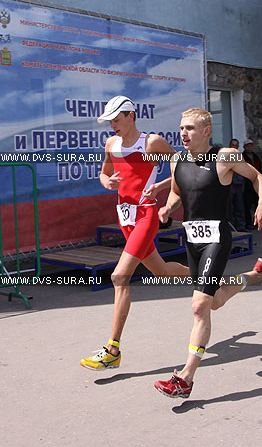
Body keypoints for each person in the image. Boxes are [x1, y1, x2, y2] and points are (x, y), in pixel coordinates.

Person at [153, 108, 262, 398]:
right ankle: (256, 274)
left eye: (189, 128)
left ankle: (185, 378)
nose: (183, 133)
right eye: (181, 128)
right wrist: (168, 207)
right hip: (192, 239)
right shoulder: (176, 160)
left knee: (199, 306)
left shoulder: (225, 157)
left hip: (216, 238)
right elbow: (177, 191)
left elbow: (258, 177)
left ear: (206, 131)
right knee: (215, 301)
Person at [80, 95, 190, 370]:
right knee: (161, 271)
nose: (113, 126)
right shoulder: (111, 144)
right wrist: (108, 182)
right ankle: (204, 276)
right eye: (109, 121)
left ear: (131, 116)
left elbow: (182, 166)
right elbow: (104, 174)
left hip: (146, 215)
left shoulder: (151, 143)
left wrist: (161, 186)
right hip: (124, 217)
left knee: (119, 277)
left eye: (116, 120)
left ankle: (112, 350)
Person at [227, 139, 247, 231]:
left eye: (236, 145)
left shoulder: (240, 157)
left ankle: (241, 226)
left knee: (240, 207)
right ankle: (231, 227)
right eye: (233, 145)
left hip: (239, 184)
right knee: (230, 208)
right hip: (230, 185)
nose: (234, 147)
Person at [242, 138, 261, 228]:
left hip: (256, 182)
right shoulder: (242, 157)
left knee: (257, 203)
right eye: (247, 146)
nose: (249, 148)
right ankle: (248, 222)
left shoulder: (255, 157)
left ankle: (258, 221)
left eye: (251, 146)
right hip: (247, 183)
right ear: (244, 147)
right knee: (247, 204)